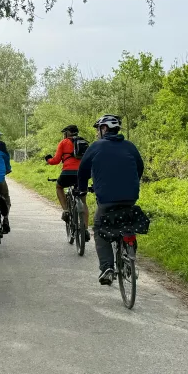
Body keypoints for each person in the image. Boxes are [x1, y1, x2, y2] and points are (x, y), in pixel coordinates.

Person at [77, 114, 144, 286]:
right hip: (130, 197)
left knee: (100, 228)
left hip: (106, 200)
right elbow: (140, 167)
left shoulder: (96, 146)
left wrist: (82, 189)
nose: (97, 133)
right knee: (128, 223)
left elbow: (83, 170)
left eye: (98, 129)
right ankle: (130, 257)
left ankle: (107, 267)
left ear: (104, 129)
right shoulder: (130, 146)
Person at [45, 125, 88, 231]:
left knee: (59, 187)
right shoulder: (84, 142)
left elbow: (56, 160)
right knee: (83, 202)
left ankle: (65, 210)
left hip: (68, 173)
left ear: (67, 133)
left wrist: (48, 160)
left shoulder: (64, 142)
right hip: (82, 174)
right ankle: (85, 229)